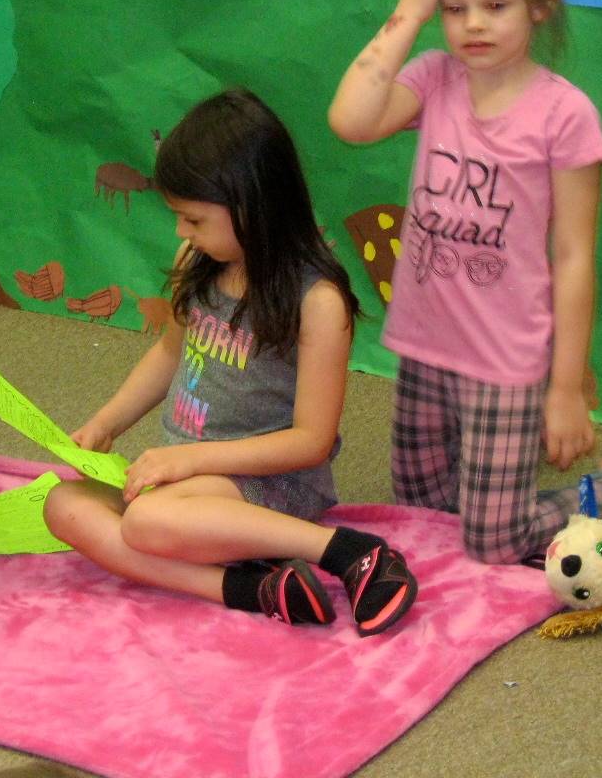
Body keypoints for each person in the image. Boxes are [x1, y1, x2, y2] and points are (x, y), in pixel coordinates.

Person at [327, 0, 602, 565]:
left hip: (506, 361)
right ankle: (501, 494)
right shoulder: (434, 78)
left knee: (492, 541)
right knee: (421, 507)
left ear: (540, 6)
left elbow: (573, 256)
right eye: (454, 8)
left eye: (495, 5)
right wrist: (408, 13)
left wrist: (564, 391)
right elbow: (350, 120)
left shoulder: (564, 115)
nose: (472, 24)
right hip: (427, 344)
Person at [43, 89, 418, 635]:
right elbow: (170, 352)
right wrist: (105, 423)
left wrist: (192, 463)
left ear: (251, 204)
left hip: (272, 483)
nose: (180, 232)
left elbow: (310, 441)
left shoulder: (317, 301)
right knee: (63, 505)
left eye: (193, 219)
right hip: (189, 477)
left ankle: (350, 552)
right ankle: (254, 588)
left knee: (147, 521)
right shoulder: (198, 261)